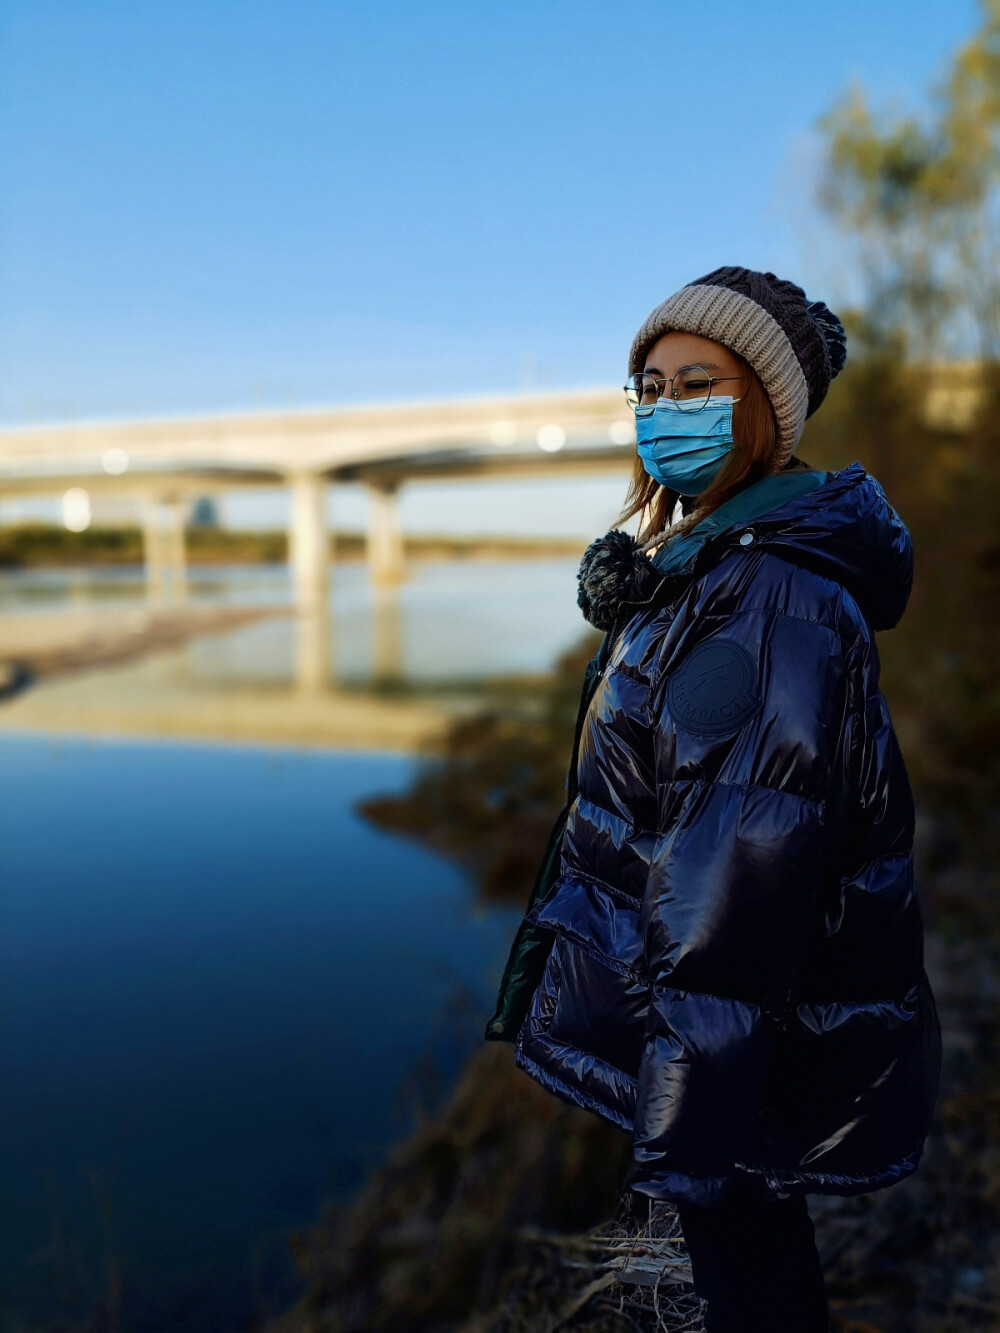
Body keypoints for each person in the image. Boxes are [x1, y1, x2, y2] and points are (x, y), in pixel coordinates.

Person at [484, 266, 943, 1331]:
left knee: (750, 1273)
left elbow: (730, 885)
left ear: (767, 416)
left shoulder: (765, 600)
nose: (663, 410)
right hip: (733, 1038)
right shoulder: (714, 567)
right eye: (647, 387)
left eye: (697, 384)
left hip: (726, 1045)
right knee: (759, 1260)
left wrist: (680, 1132)